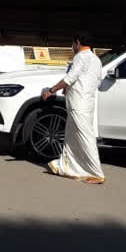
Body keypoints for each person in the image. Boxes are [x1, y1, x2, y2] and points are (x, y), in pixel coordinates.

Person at [42, 34, 105, 184]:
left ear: (77, 43)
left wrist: (51, 90)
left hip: (79, 103)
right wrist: (69, 89)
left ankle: (96, 172)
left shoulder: (81, 57)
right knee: (71, 136)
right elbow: (95, 81)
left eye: (72, 43)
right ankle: (68, 167)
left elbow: (70, 77)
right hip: (86, 101)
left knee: (85, 136)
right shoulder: (96, 59)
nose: (72, 47)